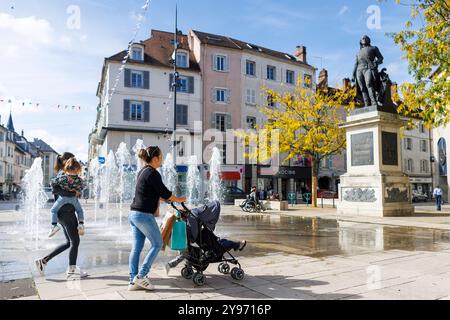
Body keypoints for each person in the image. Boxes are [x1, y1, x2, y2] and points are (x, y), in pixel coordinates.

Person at [128, 146, 186, 291]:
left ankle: (132, 280)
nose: (162, 160)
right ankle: (141, 276)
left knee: (136, 248)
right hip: (143, 215)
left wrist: (164, 200)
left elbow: (151, 193)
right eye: (160, 157)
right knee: (158, 243)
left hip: (134, 213)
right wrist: (179, 199)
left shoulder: (142, 171)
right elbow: (166, 193)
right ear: (154, 159)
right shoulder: (153, 173)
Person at [35, 152, 88, 279]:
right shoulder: (63, 175)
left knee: (69, 242)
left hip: (65, 212)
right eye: (72, 159)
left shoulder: (65, 174)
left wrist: (77, 192)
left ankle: (43, 261)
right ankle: (72, 269)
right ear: (67, 161)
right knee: (75, 241)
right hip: (66, 213)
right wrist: (74, 193)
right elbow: (56, 191)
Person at [48, 157, 86, 238]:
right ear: (78, 169)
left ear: (66, 168)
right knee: (79, 210)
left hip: (63, 198)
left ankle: (54, 225)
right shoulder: (80, 180)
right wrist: (77, 190)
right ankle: (81, 224)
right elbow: (82, 186)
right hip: (74, 199)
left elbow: (52, 182)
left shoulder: (63, 178)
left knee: (53, 210)